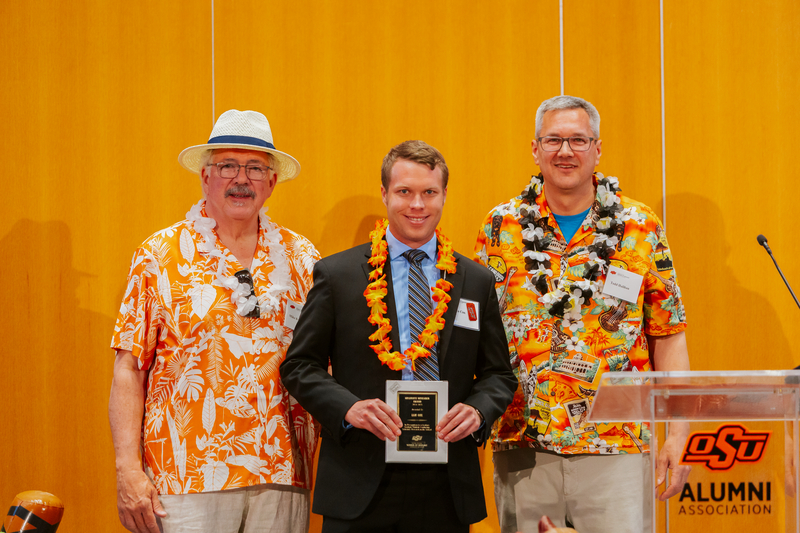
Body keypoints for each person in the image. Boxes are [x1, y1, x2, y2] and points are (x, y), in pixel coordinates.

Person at [475, 95, 691, 533]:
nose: (565, 151)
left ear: (597, 149)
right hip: (524, 445)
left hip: (618, 446)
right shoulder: (500, 227)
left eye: (578, 139)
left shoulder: (639, 225)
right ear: (535, 149)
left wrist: (679, 434)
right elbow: (478, 334)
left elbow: (668, 335)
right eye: (553, 139)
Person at [280, 140, 517, 533]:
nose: (417, 205)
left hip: (446, 482)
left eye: (429, 192)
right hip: (359, 476)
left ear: (444, 195)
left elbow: (498, 375)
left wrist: (477, 412)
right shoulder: (337, 275)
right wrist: (348, 409)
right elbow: (300, 366)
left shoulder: (474, 280)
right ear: (385, 193)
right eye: (404, 192)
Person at [108, 109, 320, 533]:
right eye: (227, 166)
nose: (241, 179)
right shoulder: (160, 255)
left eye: (256, 168)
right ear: (206, 176)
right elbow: (129, 369)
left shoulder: (304, 259)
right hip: (185, 476)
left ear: (272, 182)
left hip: (282, 472)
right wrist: (127, 469)